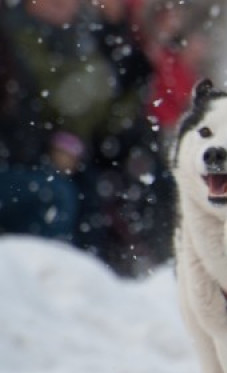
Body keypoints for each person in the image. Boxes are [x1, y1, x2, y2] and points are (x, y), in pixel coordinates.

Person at [1, 0, 174, 275]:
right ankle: (59, 276)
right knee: (59, 193)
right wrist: (57, 141)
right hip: (39, 152)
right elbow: (54, 103)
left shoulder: (80, 37)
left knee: (149, 174)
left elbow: (105, 101)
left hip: (79, 145)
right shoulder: (20, 36)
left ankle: (147, 269)